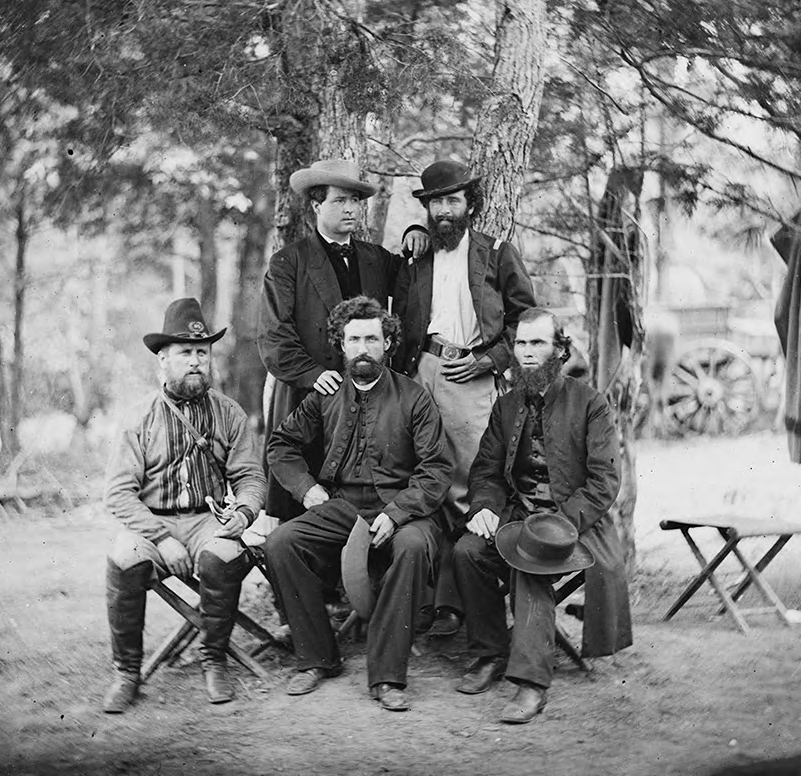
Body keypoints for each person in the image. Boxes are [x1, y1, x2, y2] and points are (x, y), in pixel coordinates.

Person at [264, 296, 452, 711]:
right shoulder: (325, 394)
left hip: (405, 509)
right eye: (354, 340)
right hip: (342, 508)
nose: (363, 348)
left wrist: (397, 513)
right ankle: (317, 657)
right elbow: (281, 445)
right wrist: (306, 490)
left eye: (372, 339)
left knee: (413, 546)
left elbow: (436, 469)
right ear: (341, 345)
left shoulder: (414, 397)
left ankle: (387, 676)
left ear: (388, 344)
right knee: (281, 542)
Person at [452, 307, 632, 724]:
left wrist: (558, 524)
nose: (528, 352)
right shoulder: (506, 407)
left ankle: (532, 683)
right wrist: (484, 508)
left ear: (559, 351)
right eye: (521, 343)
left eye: (538, 343)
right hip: (518, 513)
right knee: (467, 551)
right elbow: (486, 471)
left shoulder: (591, 404)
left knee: (531, 560)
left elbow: (604, 480)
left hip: (576, 524)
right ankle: (490, 652)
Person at [392, 159, 536, 637]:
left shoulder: (496, 254)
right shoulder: (417, 258)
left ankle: (472, 605)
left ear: (469, 205)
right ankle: (438, 603)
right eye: (436, 203)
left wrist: (489, 360)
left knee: (473, 485)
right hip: (422, 372)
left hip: (471, 374)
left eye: (452, 201)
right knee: (422, 477)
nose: (444, 211)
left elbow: (525, 320)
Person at [102, 298, 267, 713]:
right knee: (124, 559)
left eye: (202, 352)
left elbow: (250, 477)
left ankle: (214, 660)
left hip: (206, 521)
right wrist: (161, 538)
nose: (195, 361)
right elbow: (118, 493)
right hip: (150, 525)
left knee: (224, 555)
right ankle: (127, 672)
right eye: (184, 353)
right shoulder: (139, 417)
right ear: (163, 360)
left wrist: (244, 513)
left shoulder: (228, 413)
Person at [258, 159, 427, 521]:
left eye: (354, 200)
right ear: (316, 206)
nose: (350, 208)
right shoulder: (289, 262)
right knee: (304, 500)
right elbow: (274, 333)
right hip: (310, 393)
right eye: (339, 201)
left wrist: (416, 231)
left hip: (366, 396)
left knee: (362, 492)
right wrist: (311, 374)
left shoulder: (374, 258)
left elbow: (414, 280)